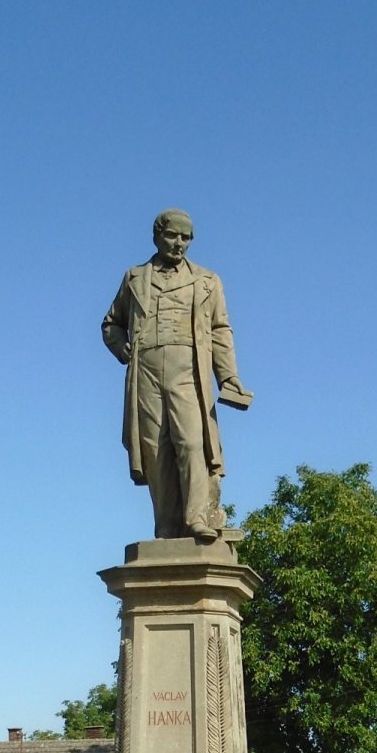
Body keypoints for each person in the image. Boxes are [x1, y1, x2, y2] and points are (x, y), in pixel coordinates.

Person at [102, 209, 252, 542]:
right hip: (148, 371)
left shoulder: (207, 281)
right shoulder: (134, 278)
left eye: (186, 238)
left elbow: (219, 330)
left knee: (191, 442)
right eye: (174, 236)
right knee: (156, 449)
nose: (180, 243)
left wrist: (228, 376)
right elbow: (112, 323)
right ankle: (166, 525)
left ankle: (197, 517)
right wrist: (121, 347)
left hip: (189, 369)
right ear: (157, 235)